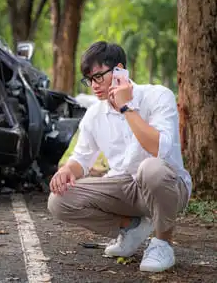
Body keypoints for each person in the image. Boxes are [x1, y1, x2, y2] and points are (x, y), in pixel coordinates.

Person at [47, 41, 192, 273]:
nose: (93, 86)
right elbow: (82, 158)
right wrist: (66, 171)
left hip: (168, 186)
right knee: (59, 200)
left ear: (119, 71)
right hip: (125, 187)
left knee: (150, 168)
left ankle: (163, 242)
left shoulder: (157, 96)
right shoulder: (95, 113)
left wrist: (126, 108)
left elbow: (159, 150)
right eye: (88, 79)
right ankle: (131, 228)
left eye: (97, 77)